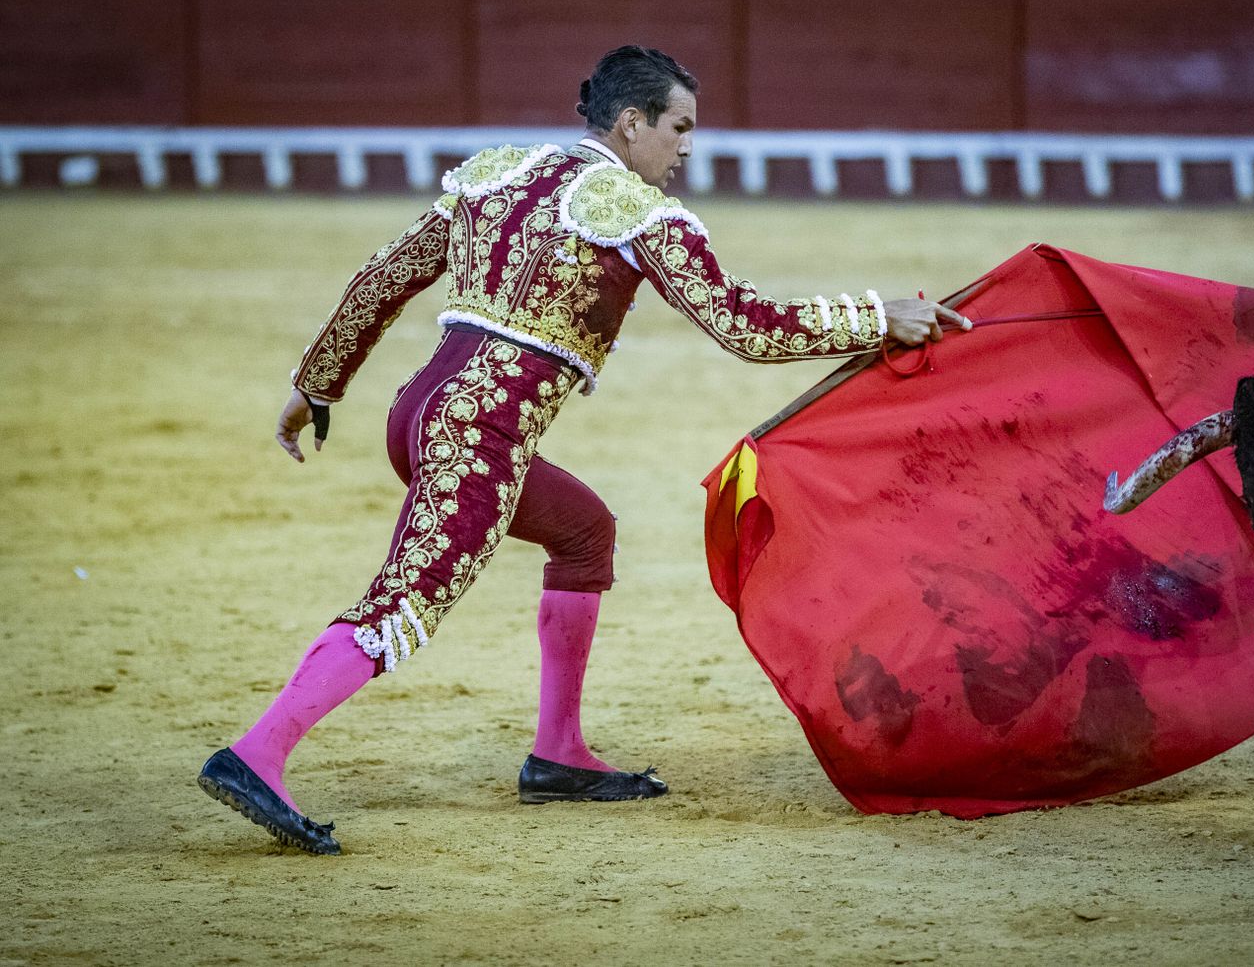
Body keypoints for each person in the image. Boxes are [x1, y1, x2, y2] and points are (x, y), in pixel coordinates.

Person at [197, 45, 969, 855]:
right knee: (406, 599)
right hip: (478, 434)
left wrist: (317, 384)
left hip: (419, 414)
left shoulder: (493, 177)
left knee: (583, 532)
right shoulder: (637, 213)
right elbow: (743, 325)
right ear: (632, 124)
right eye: (679, 127)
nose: (686, 148)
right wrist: (873, 318)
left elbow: (381, 280)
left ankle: (558, 754)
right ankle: (258, 754)